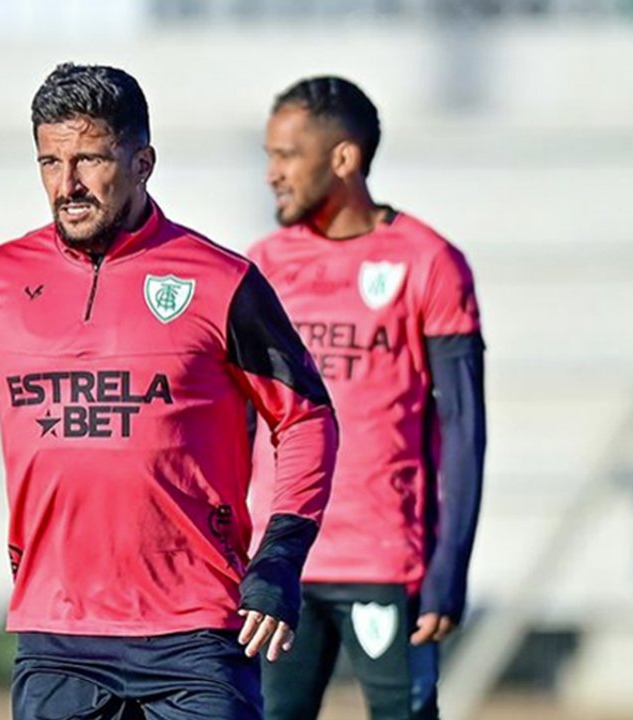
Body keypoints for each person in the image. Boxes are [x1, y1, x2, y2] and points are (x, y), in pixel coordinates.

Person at [0, 63, 339, 720]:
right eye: (49, 162)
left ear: (142, 162)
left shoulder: (221, 281)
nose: (66, 184)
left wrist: (279, 560)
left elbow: (305, 419)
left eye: (90, 159)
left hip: (194, 634)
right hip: (58, 637)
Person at [246, 76, 487, 720]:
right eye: (269, 155)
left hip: (387, 562)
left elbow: (463, 426)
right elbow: (235, 418)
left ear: (343, 159)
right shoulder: (261, 267)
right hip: (282, 564)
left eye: (287, 155)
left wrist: (450, 567)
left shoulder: (430, 262)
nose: (271, 172)